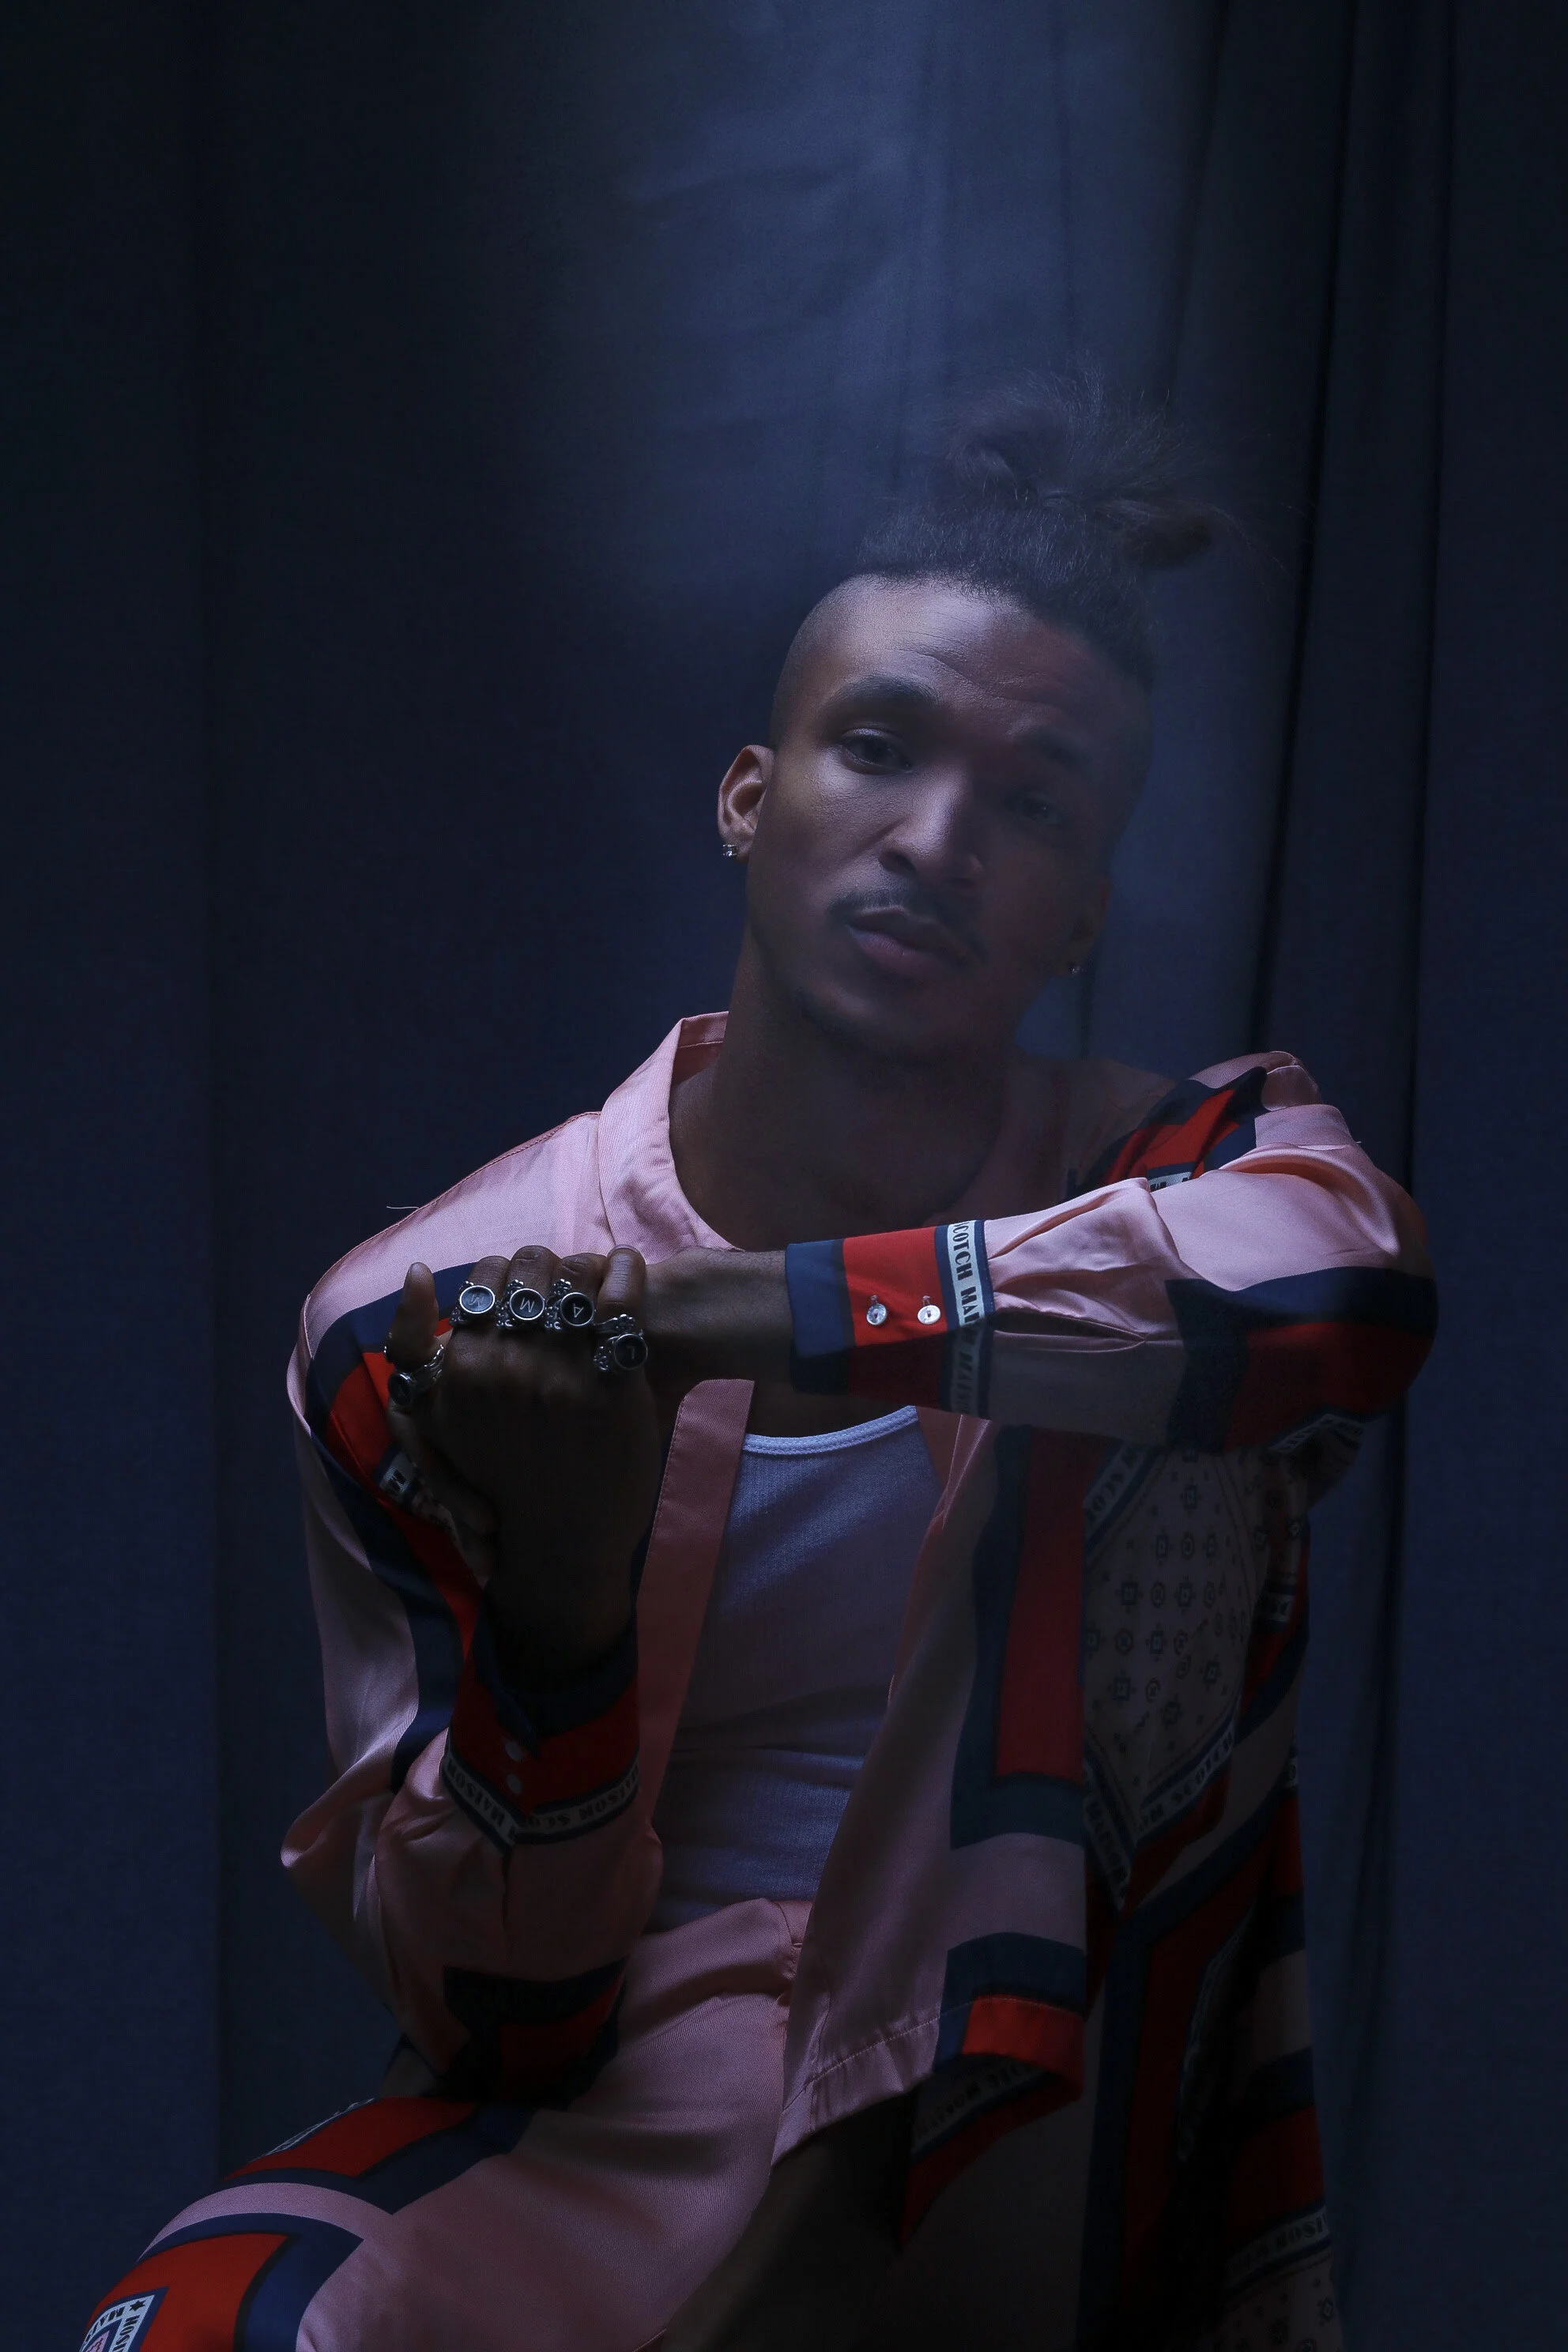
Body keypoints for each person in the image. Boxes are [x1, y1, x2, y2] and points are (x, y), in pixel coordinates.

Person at [81, 376, 1434, 2352]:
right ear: (747, 797)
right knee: (205, 2324)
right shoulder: (423, 1314)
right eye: (874, 748)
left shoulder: (1178, 1165)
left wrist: (729, 1313)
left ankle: (821, 2243)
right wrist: (562, 1604)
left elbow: (1342, 1298)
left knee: (1141, 1392)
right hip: (643, 2094)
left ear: (1078, 916)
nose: (935, 840)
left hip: (1046, 2099)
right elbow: (495, 2020)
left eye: (1032, 804)